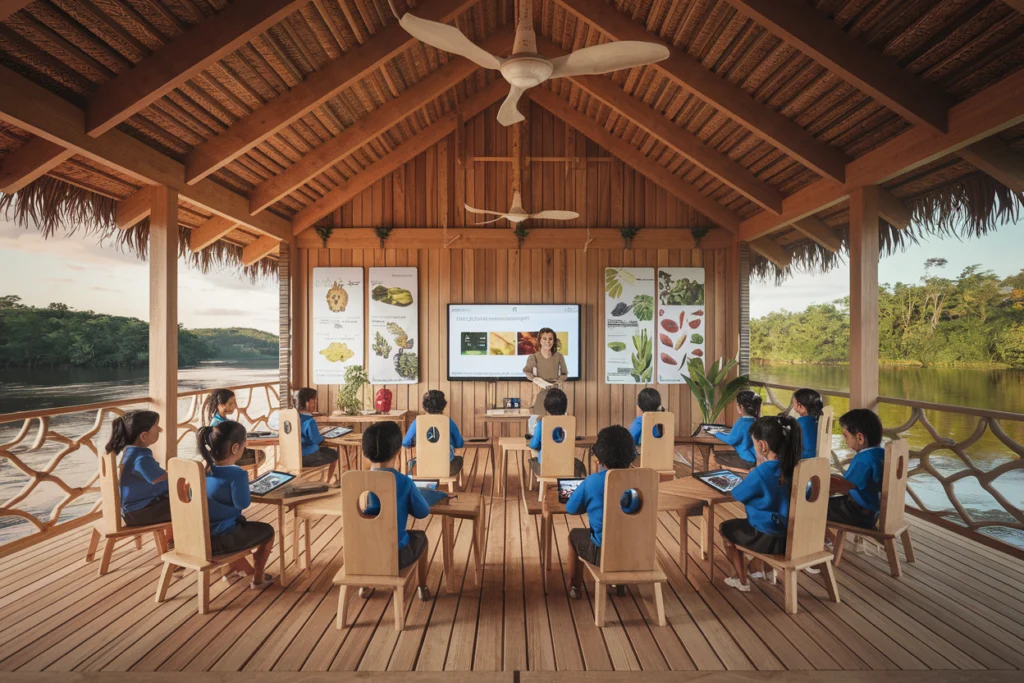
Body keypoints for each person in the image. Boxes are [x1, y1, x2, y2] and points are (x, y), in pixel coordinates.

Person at [720, 414, 802, 592]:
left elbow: (738, 494)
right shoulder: (797, 468)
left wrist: (750, 476)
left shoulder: (762, 472)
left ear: (763, 445)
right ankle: (759, 569)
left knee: (727, 528)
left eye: (754, 443)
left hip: (769, 538)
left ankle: (741, 581)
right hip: (794, 536)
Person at [197, 421, 275, 588]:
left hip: (198, 536)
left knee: (241, 527)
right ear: (235, 448)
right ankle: (258, 579)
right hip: (219, 540)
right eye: (244, 444)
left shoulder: (203, 470)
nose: (245, 446)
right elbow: (243, 503)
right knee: (267, 532)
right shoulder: (237, 474)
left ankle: (237, 568)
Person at [565, 425, 640, 598]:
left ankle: (574, 586)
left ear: (599, 457)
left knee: (574, 536)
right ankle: (620, 585)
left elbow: (571, 509)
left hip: (602, 554)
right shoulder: (644, 480)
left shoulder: (592, 482)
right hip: (636, 551)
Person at [362, 422, 431, 572]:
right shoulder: (404, 482)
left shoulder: (355, 482)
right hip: (394, 555)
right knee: (420, 538)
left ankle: (364, 586)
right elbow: (422, 512)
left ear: (364, 452)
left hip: (362, 555)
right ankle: (421, 587)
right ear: (398, 451)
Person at [106, 410, 172, 530]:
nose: (160, 430)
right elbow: (161, 478)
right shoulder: (141, 458)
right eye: (156, 426)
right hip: (139, 513)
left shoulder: (129, 452)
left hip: (132, 510)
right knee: (186, 505)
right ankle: (174, 539)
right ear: (144, 436)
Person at [828, 409, 886, 530]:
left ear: (860, 438)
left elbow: (845, 486)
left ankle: (825, 540)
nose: (845, 440)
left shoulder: (863, 459)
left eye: (846, 436)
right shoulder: (882, 453)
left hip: (860, 515)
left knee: (816, 505)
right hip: (876, 513)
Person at [403, 390, 465, 477]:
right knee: (459, 459)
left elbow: (405, 442)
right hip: (447, 468)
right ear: (443, 405)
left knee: (413, 461)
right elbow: (460, 443)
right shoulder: (448, 421)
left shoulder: (417, 422)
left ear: (424, 405)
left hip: (422, 466)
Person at [528, 388, 586, 478]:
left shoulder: (541, 423)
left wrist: (531, 441)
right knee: (579, 465)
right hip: (566, 467)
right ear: (565, 406)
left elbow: (534, 445)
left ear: (546, 407)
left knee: (532, 460)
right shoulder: (569, 422)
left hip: (546, 468)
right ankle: (570, 490)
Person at [203, 388, 265, 471]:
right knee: (260, 455)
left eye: (235, 403)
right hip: (227, 457)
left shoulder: (224, 421)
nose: (235, 406)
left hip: (232, 452)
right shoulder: (217, 425)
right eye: (231, 404)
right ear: (221, 405)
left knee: (259, 453)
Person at [295, 387, 339, 481]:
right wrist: (322, 437)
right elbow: (316, 440)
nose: (315, 404)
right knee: (334, 454)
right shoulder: (310, 421)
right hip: (310, 456)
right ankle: (328, 481)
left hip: (296, 456)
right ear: (306, 403)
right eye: (313, 401)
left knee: (326, 451)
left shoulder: (296, 417)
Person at [522, 327, 568, 416]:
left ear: (554, 340)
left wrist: (558, 382)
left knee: (556, 421)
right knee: (539, 420)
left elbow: (564, 373)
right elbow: (526, 371)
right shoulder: (533, 357)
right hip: (539, 392)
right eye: (544, 338)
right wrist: (535, 379)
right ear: (539, 340)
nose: (548, 341)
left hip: (555, 394)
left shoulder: (559, 356)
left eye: (550, 339)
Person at [711, 390, 762, 470]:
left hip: (747, 459)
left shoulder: (742, 422)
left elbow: (730, 440)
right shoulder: (756, 420)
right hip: (755, 456)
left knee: (716, 457)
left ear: (740, 406)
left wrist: (715, 433)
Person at [791, 388, 824, 460]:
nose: (793, 407)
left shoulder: (802, 422)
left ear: (800, 406)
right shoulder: (815, 420)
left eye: (794, 404)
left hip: (806, 463)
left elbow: (810, 452)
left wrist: (789, 455)